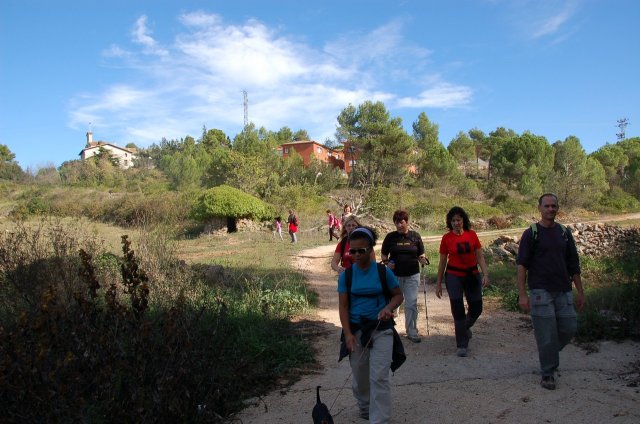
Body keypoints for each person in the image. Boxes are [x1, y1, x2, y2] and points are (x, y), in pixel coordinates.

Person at [516, 193, 585, 390]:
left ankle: (548, 354)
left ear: (557, 208)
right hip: (540, 291)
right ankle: (548, 372)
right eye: (546, 206)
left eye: (553, 206)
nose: (550, 209)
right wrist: (522, 294)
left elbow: (573, 264)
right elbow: (522, 265)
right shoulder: (531, 233)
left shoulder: (564, 232)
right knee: (546, 334)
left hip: (563, 290)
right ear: (539, 208)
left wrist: (580, 291)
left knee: (569, 328)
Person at [338, 227, 404, 423]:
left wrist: (388, 308)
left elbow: (398, 295)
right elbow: (343, 306)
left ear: (370, 249)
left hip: (381, 329)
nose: (356, 255)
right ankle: (365, 405)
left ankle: (379, 419)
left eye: (361, 250)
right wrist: (348, 334)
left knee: (379, 376)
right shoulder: (346, 276)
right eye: (352, 251)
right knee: (360, 376)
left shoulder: (384, 272)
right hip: (356, 330)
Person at [435, 206, 489, 357]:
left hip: (472, 274)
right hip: (454, 276)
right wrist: (438, 283)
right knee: (457, 309)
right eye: (453, 220)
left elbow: (479, 256)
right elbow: (442, 262)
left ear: (463, 220)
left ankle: (464, 327)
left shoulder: (472, 235)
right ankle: (462, 344)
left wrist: (485, 274)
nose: (456, 223)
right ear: (450, 222)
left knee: (477, 308)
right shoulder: (446, 238)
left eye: (458, 220)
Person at [381, 210, 428, 343]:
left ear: (407, 222)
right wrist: (387, 263)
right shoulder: (390, 237)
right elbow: (384, 255)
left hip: (412, 275)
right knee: (393, 303)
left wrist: (422, 259)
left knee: (411, 303)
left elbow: (421, 254)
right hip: (394, 276)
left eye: (401, 222)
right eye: (396, 223)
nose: (399, 225)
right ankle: (389, 329)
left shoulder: (415, 236)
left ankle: (411, 331)